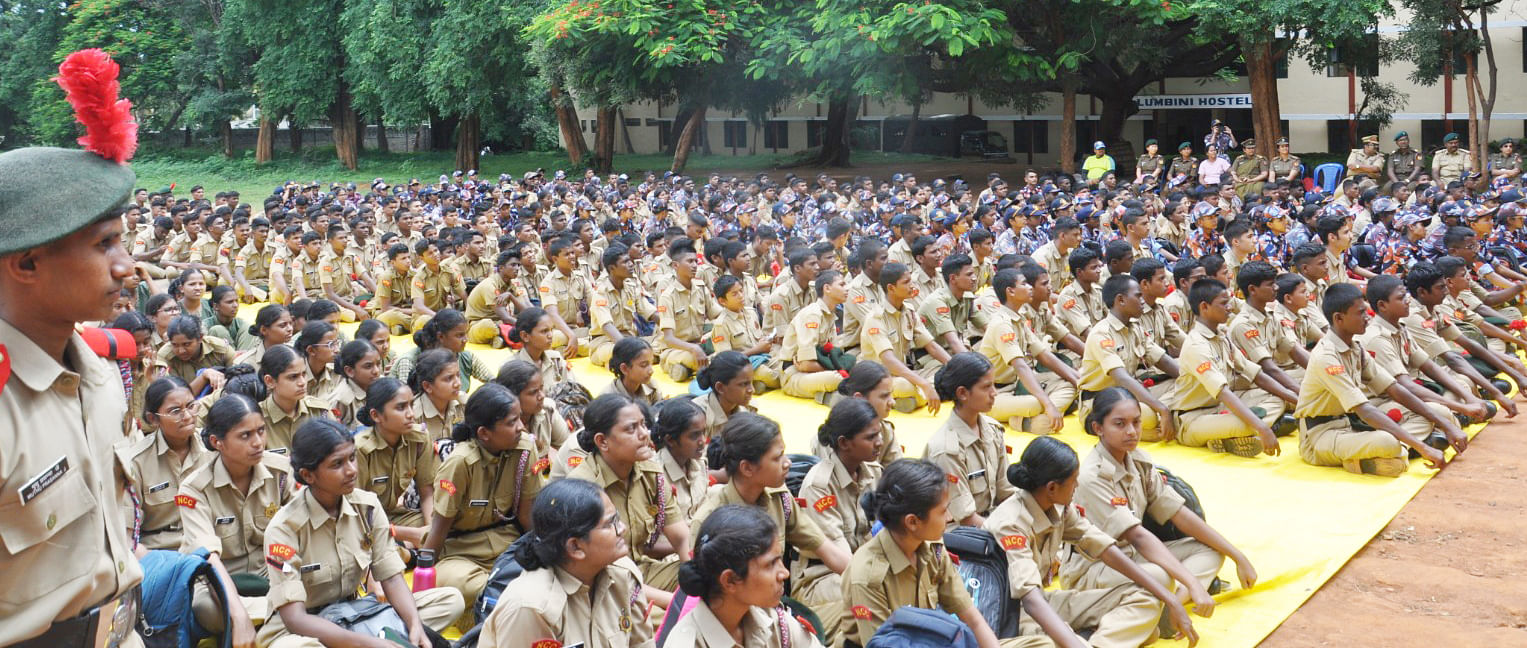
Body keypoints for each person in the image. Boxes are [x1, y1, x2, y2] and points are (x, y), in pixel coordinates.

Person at [257, 418, 465, 648]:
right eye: (337, 464)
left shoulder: (367, 507)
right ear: (308, 475)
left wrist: (415, 625)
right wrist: (368, 644)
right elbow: (295, 618)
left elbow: (392, 578)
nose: (352, 470)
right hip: (304, 629)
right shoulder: (284, 528)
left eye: (352, 458)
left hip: (352, 614)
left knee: (450, 600)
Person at [1064, 388, 1254, 635]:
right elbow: (1138, 537)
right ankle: (1163, 608)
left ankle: (1167, 610)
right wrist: (1192, 583)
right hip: (1095, 567)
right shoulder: (1092, 476)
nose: (1132, 431)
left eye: (1136, 422)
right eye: (1119, 424)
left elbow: (1179, 513)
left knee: (1211, 552)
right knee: (1160, 575)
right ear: (1098, 428)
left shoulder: (1138, 460)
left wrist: (1238, 556)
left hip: (1133, 555)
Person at [985, 436, 1199, 648]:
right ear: (1052, 488)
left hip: (1045, 602)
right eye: (1073, 480)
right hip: (1012, 616)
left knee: (1145, 599)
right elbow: (1030, 601)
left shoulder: (1059, 507)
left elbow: (1106, 549)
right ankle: (1087, 637)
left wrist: (1171, 600)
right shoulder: (1010, 523)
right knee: (1062, 642)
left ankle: (1091, 640)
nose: (1078, 485)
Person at [838, 459, 1011, 648]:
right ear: (912, 522)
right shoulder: (867, 576)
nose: (949, 517)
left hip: (932, 641)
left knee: (1039, 643)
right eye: (943, 511)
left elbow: (972, 618)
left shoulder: (932, 547)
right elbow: (881, 645)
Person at [1294, 283, 1460, 476]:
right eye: (1361, 313)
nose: (1367, 317)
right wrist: (1423, 447)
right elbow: (1365, 410)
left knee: (1437, 410)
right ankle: (1399, 451)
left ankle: (1398, 452)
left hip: (1351, 426)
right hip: (1320, 435)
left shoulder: (1355, 348)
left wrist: (1446, 424)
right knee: (1386, 442)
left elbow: (1394, 388)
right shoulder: (1326, 356)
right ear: (1339, 318)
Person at [477, 478, 653, 648]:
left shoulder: (623, 573)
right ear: (575, 547)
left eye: (617, 518)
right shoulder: (533, 606)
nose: (622, 528)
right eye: (609, 524)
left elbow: (642, 644)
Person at [180, 393, 296, 645]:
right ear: (217, 442)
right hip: (216, 583)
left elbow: (300, 533)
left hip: (271, 572)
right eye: (245, 435)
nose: (258, 443)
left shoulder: (280, 472)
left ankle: (276, 617)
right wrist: (239, 616)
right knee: (209, 613)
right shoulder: (194, 489)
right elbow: (209, 559)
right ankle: (277, 619)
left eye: (261, 431)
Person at [421, 383, 541, 612]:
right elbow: (439, 528)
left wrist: (543, 554)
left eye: (519, 419)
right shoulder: (460, 463)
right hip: (460, 552)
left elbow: (527, 514)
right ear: (484, 433)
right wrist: (424, 577)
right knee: (471, 588)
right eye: (511, 422)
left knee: (543, 577)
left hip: (507, 544)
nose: (521, 428)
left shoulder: (525, 450)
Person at [690, 413, 852, 579]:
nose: (788, 462)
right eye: (777, 457)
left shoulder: (779, 498)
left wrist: (864, 582)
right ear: (747, 468)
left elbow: (824, 547)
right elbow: (702, 592)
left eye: (784, 454)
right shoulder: (708, 522)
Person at [567, 393, 692, 596]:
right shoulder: (583, 489)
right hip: (604, 586)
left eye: (643, 424)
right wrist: (676, 603)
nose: (644, 434)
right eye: (631, 429)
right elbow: (605, 573)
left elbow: (681, 537)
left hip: (643, 572)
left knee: (713, 576)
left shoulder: (651, 473)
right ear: (603, 441)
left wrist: (693, 577)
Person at [1167, 278, 1295, 457]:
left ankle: (1227, 438)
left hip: (1220, 408)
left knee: (1278, 399)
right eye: (1224, 303)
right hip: (1193, 419)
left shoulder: (1221, 336)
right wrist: (1262, 428)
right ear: (1204, 307)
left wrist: (1297, 399)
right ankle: (1255, 430)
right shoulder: (1197, 345)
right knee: (1248, 424)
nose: (1230, 308)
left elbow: (1256, 374)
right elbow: (1223, 392)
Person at [664, 505, 824, 648]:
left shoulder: (775, 623)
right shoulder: (687, 643)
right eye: (771, 564)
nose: (785, 573)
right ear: (730, 580)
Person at [794, 399, 884, 640]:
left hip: (864, 566)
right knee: (879, 599)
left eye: (879, 433)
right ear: (844, 443)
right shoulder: (819, 486)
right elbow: (841, 559)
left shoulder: (873, 473)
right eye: (870, 437)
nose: (880, 442)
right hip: (823, 578)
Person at [116, 376, 214, 550]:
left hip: (209, 544)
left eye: (191, 406)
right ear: (153, 419)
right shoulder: (136, 462)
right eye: (175, 411)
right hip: (162, 552)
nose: (187, 416)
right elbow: (127, 536)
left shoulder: (212, 449)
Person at [1078, 275, 1179, 441]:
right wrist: (1161, 408)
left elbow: (1162, 359)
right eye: (1138, 296)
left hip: (1128, 395)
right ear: (1121, 300)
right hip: (1099, 403)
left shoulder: (1134, 327)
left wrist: (1191, 381)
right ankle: (1169, 424)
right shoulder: (1102, 333)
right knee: (1147, 415)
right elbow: (1121, 378)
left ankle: (1167, 422)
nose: (1143, 301)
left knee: (1185, 384)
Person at [922, 352, 1016, 527]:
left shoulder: (992, 430)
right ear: (963, 393)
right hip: (961, 532)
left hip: (990, 520)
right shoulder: (946, 449)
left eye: (994, 385)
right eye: (986, 387)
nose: (994, 393)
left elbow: (1006, 492)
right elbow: (966, 518)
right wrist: (1010, 535)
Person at [978, 268, 1077, 434]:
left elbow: (1043, 355)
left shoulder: (1018, 319)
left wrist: (1077, 379)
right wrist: (1048, 404)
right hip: (995, 393)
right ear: (1010, 291)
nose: (1030, 287)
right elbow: (1021, 366)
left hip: (1017, 386)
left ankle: (1038, 418)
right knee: (1036, 403)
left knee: (1069, 384)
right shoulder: (1002, 324)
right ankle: (1024, 422)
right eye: (1024, 284)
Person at [353, 377, 437, 545]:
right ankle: (405, 549)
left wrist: (431, 531)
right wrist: (409, 534)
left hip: (393, 516)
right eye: (401, 407)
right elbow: (355, 510)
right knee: (364, 544)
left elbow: (427, 491)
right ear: (376, 415)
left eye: (411, 405)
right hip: (362, 521)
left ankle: (406, 547)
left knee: (447, 525)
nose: (411, 414)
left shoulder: (419, 439)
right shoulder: (359, 449)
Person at [496, 359, 572, 462]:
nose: (542, 395)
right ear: (512, 396)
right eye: (533, 392)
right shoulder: (498, 424)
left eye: (541, 388)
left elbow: (568, 448)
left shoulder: (547, 410)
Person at [653, 396, 712, 519]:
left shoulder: (699, 463)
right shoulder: (655, 476)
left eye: (703, 432)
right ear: (670, 440)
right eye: (694, 435)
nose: (702, 440)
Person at [158, 314, 235, 396]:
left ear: (200, 338)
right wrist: (203, 376)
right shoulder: (165, 357)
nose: (181, 351)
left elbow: (238, 382)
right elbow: (173, 397)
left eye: (186, 344)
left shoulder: (221, 349)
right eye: (175, 345)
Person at [505, 307, 577, 389]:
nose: (550, 335)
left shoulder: (556, 359)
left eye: (551, 329)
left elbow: (574, 389)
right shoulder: (512, 367)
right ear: (525, 336)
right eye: (544, 331)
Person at [696, 351, 759, 439]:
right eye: (744, 384)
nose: (752, 390)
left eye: (752, 382)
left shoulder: (748, 410)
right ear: (720, 388)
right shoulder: (698, 418)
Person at [410, 348, 465, 442]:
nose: (458, 383)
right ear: (427, 386)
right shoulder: (413, 415)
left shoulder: (463, 403)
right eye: (449, 378)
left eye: (458, 375)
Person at [329, 339, 384, 428]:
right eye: (368, 366)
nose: (376, 371)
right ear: (350, 371)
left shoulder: (383, 385)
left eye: (378, 364)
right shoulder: (341, 400)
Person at [605, 336, 664, 406]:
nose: (651, 371)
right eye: (644, 365)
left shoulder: (651, 386)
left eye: (652, 363)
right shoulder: (609, 399)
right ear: (624, 369)